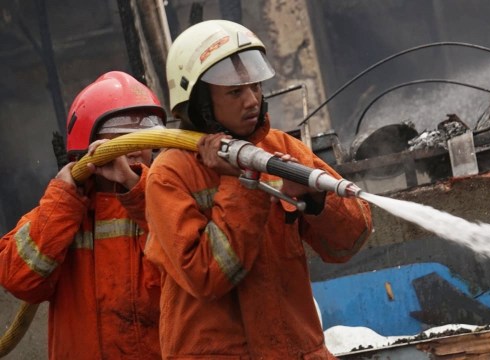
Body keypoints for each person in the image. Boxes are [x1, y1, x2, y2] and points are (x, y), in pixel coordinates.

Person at [144, 20, 373, 359]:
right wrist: (241, 182)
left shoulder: (282, 148)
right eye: (235, 92)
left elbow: (349, 242)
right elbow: (206, 275)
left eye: (254, 86)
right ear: (199, 103)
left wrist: (315, 199)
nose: (252, 100)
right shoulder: (170, 173)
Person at [0, 71, 166, 359]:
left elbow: (197, 269)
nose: (137, 150)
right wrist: (64, 198)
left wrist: (137, 189)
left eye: (145, 138)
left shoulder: (169, 203)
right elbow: (20, 280)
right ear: (87, 146)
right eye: (123, 140)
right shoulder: (60, 211)